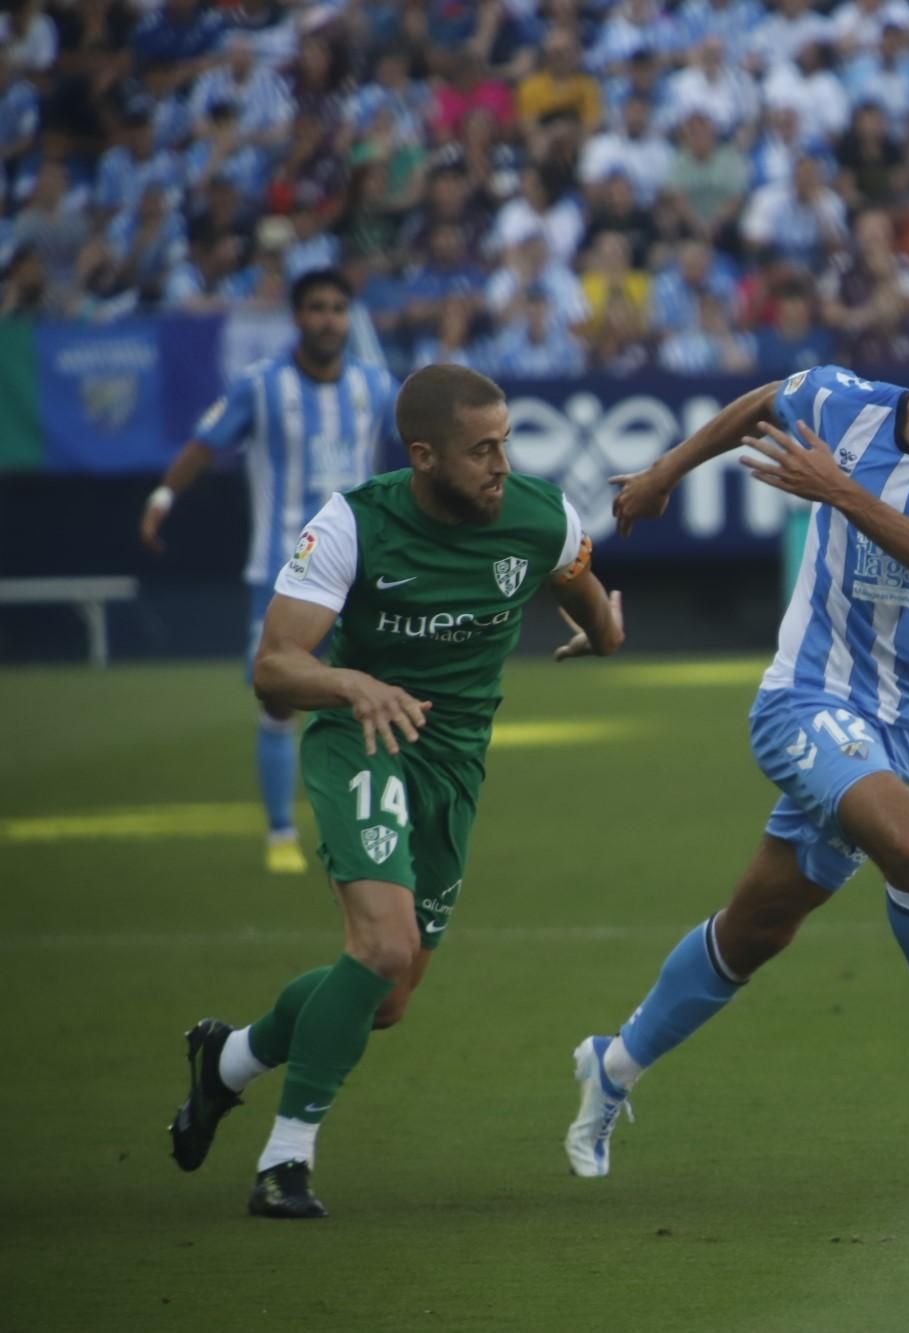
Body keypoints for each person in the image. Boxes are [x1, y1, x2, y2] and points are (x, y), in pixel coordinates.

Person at [564, 288, 909, 1179]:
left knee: (757, 926)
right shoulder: (846, 404)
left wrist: (837, 491)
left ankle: (611, 1065)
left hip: (897, 725)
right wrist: (664, 473)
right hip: (803, 699)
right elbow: (764, 399)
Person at [167, 365, 627, 1217]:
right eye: (481, 448)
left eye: (506, 441)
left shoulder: (539, 515)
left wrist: (602, 634)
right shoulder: (353, 524)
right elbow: (273, 669)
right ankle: (285, 1160)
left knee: (386, 997)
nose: (502, 462)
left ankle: (229, 1060)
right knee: (380, 945)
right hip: (363, 739)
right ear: (423, 455)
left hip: (453, 765)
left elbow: (590, 601)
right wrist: (349, 685)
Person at [140, 271, 398, 875]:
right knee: (279, 699)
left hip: (363, 576)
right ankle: (282, 832)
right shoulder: (261, 386)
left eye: (338, 308)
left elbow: (417, 448)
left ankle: (367, 823)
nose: (329, 318)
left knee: (371, 699)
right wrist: (161, 499)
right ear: (297, 317)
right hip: (283, 572)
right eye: (317, 308)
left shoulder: (374, 385)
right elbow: (205, 444)